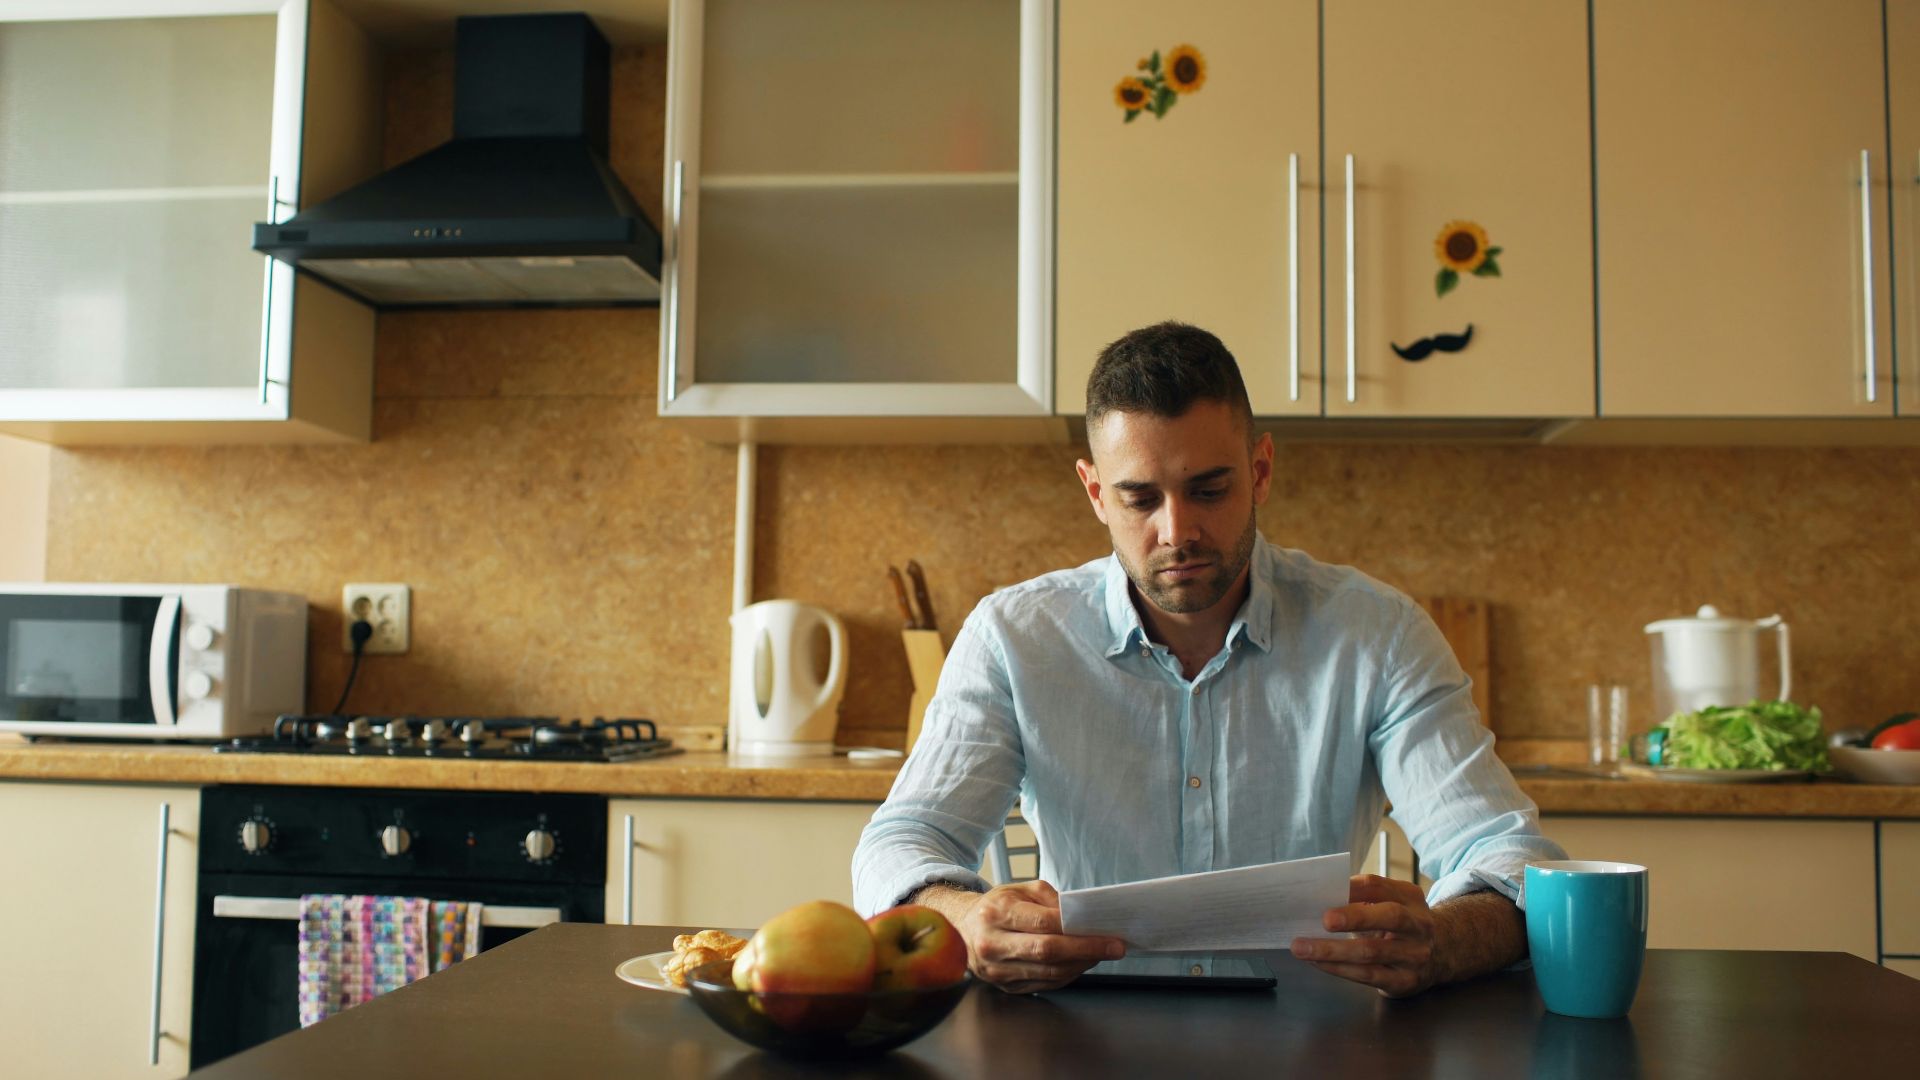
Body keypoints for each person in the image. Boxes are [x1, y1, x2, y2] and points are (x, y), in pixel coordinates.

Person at [851, 320, 1566, 997]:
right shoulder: (1013, 636)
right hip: (1081, 1038)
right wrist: (965, 916)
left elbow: (1511, 857)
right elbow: (899, 844)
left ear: (1260, 470)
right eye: (1139, 498)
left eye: (1209, 489)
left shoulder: (1378, 635)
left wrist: (1442, 941)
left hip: (1314, 1044)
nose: (1177, 530)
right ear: (1096, 493)